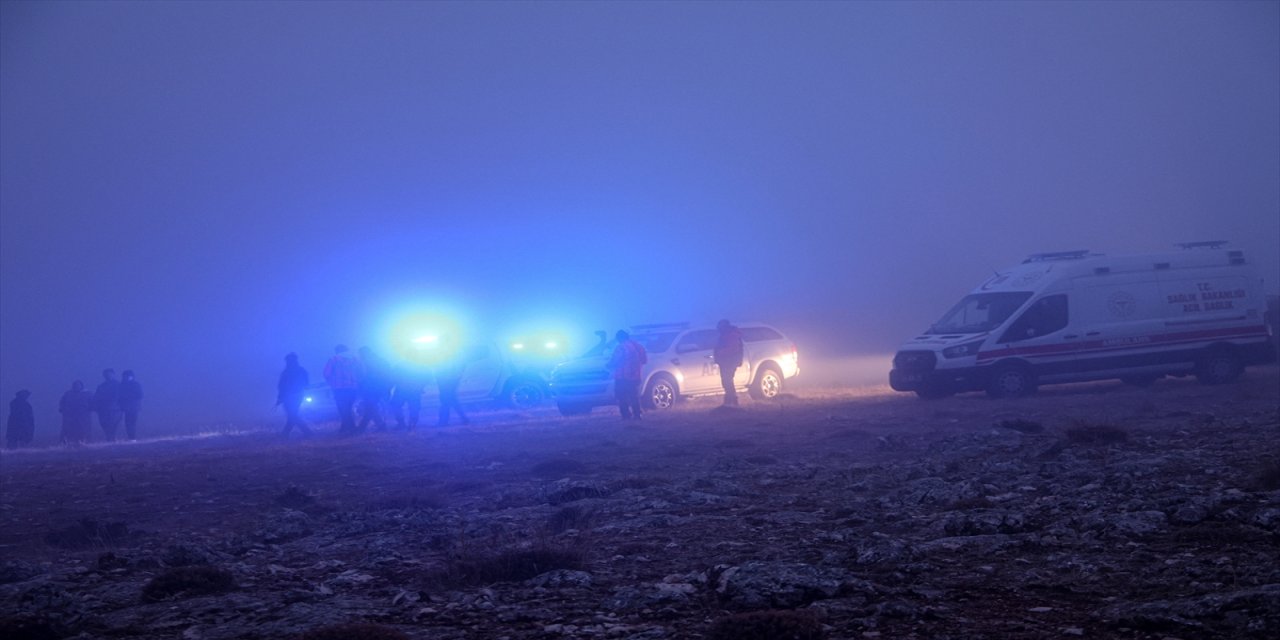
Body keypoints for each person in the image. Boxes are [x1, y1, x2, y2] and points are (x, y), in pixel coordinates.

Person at [607, 329, 647, 420]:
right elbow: (644, 360)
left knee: (622, 397)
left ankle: (626, 415)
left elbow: (614, 360)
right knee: (634, 396)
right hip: (636, 375)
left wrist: (608, 365)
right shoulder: (638, 346)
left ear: (619, 338)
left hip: (622, 376)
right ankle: (637, 414)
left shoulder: (621, 347)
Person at [323, 344, 362, 436]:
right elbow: (362, 371)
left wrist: (331, 382)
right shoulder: (355, 359)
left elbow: (326, 373)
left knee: (343, 409)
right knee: (348, 408)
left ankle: (352, 429)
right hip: (353, 388)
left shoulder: (333, 359)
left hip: (339, 388)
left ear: (337, 351)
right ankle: (344, 429)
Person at [276, 353, 312, 438]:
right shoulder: (301, 370)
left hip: (288, 396)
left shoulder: (286, 372)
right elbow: (306, 383)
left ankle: (286, 434)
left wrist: (280, 397)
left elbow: (281, 386)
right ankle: (307, 432)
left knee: (292, 415)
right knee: (292, 415)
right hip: (298, 395)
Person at [356, 346, 391, 433]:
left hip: (372, 389)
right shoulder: (380, 360)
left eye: (360, 354)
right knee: (371, 407)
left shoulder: (368, 362)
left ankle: (362, 428)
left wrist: (361, 386)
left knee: (370, 407)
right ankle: (380, 426)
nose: (359, 356)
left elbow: (367, 377)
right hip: (379, 388)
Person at [435, 345, 470, 427]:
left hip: (446, 380)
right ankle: (463, 418)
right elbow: (462, 365)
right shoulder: (458, 352)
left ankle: (443, 421)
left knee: (446, 400)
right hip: (451, 379)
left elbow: (439, 366)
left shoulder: (444, 352)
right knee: (451, 399)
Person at [713, 319, 745, 407]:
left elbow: (732, 349)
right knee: (727, 381)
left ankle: (731, 401)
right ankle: (730, 400)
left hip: (729, 362)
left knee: (727, 381)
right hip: (726, 362)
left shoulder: (731, 335)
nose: (719, 329)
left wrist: (720, 353)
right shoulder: (727, 334)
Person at [389, 364, 427, 431]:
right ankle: (410, 423)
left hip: (403, 390)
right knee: (414, 407)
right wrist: (421, 386)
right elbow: (427, 376)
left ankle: (404, 423)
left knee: (397, 405)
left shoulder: (400, 365)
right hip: (411, 390)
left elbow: (392, 378)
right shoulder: (419, 366)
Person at [59, 381, 94, 445]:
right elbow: (62, 402)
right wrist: (62, 408)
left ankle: (84, 441)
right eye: (75, 385)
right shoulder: (68, 394)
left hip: (83, 415)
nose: (77, 386)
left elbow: (92, 402)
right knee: (70, 429)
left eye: (78, 385)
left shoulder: (87, 393)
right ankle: (68, 442)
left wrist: (91, 408)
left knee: (83, 428)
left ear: (81, 386)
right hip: (71, 415)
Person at [93, 368, 122, 441]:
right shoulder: (101, 386)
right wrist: (96, 406)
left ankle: (112, 438)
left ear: (113, 374)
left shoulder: (119, 385)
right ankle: (109, 438)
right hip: (103, 409)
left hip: (115, 409)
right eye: (106, 374)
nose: (108, 376)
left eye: (109, 374)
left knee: (114, 424)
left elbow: (122, 396)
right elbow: (97, 397)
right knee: (104, 424)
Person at [118, 370, 144, 439]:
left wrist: (127, 397)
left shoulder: (135, 384)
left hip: (133, 407)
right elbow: (119, 396)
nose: (125, 378)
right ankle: (131, 437)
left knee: (131, 422)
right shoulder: (122, 385)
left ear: (131, 376)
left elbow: (140, 395)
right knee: (127, 423)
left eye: (127, 376)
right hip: (127, 408)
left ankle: (132, 437)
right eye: (124, 376)